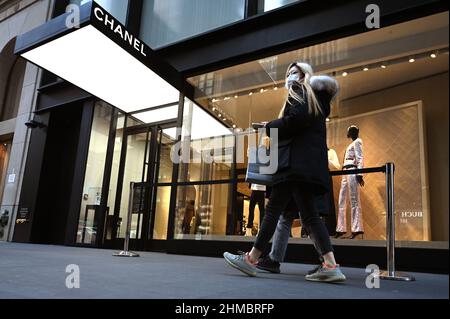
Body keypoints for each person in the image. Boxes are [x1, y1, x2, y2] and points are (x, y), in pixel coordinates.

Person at [223, 62, 345, 282]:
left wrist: (270, 125)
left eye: (294, 73)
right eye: (287, 74)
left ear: (304, 76)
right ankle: (330, 264)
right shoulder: (317, 101)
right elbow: (302, 122)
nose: (289, 77)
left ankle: (252, 259)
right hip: (307, 166)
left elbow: (295, 120)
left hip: (292, 164)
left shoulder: (300, 90)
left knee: (272, 211)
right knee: (309, 216)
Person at [335, 125, 365, 239]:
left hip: (352, 170)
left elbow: (360, 157)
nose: (350, 133)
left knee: (354, 199)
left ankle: (357, 229)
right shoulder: (351, 144)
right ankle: (341, 229)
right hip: (345, 171)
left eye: (351, 131)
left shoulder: (358, 142)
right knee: (342, 199)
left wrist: (360, 174)